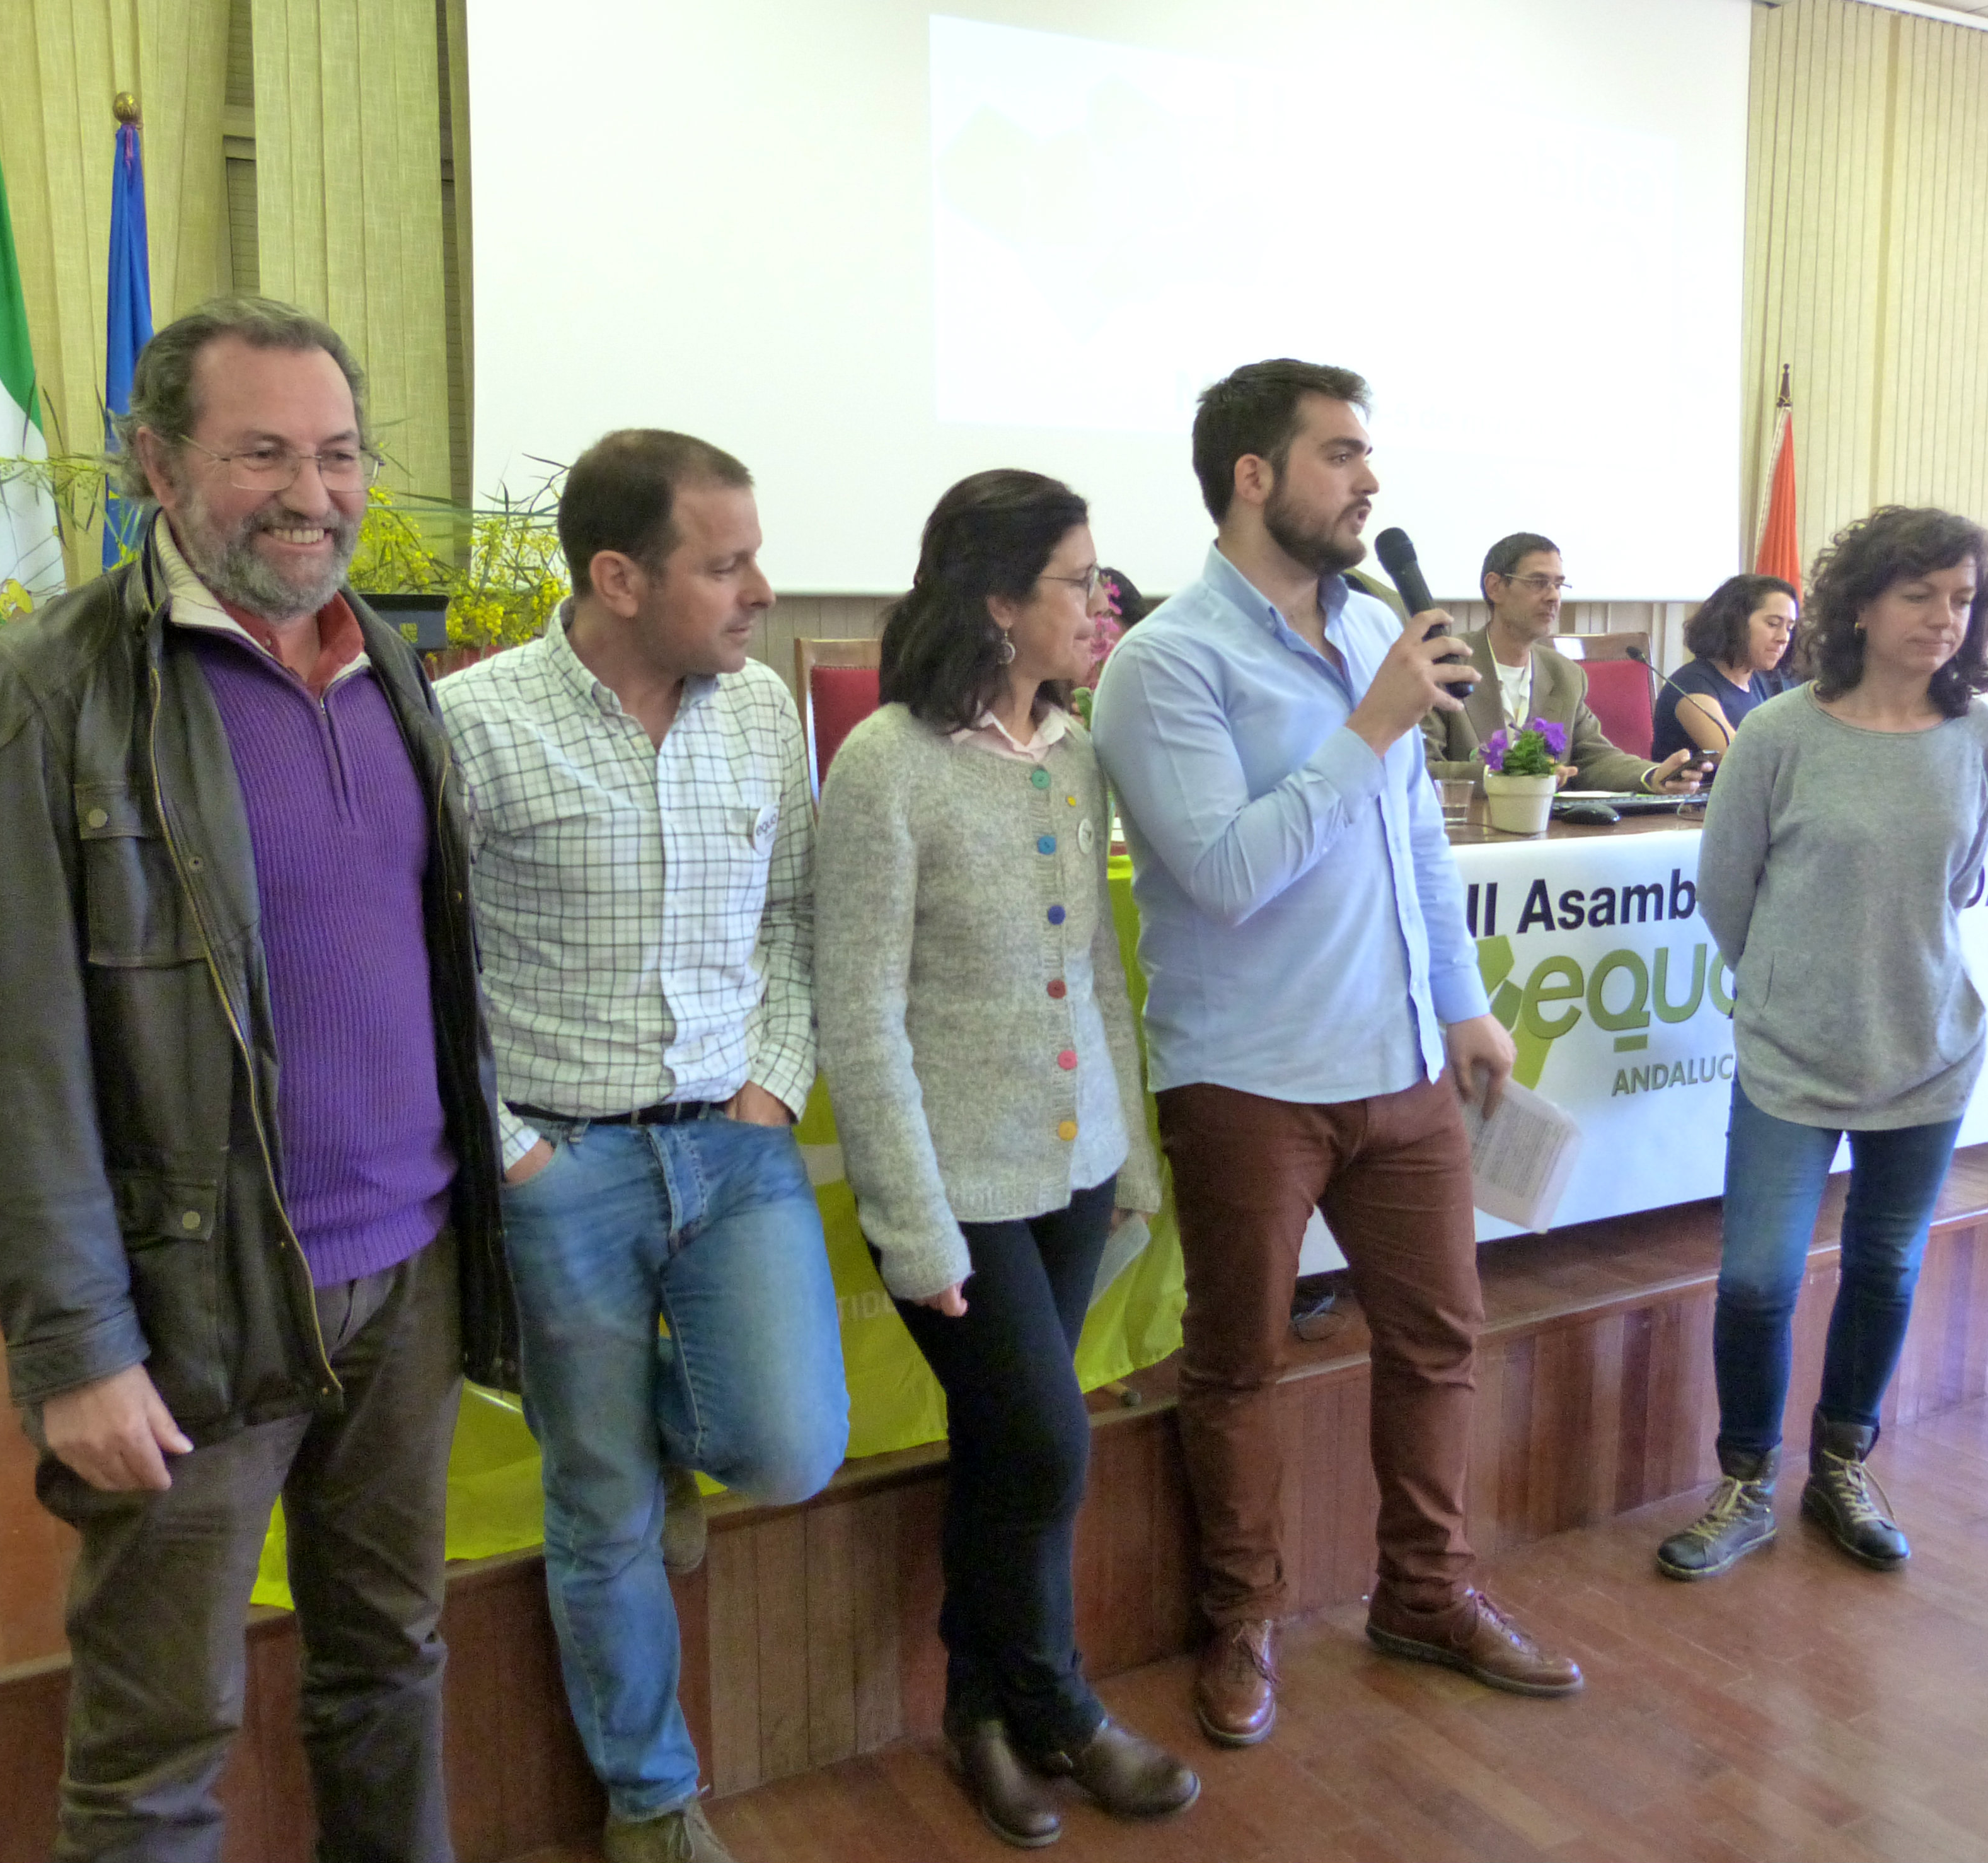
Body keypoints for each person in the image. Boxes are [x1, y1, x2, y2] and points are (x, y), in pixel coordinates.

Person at [0, 296, 517, 1861]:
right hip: (195, 1302)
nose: (310, 493)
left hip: (410, 1277)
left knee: (389, 1663)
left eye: (335, 454)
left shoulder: (389, 663)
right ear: (155, 466)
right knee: (158, 1749)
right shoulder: (45, 696)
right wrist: (72, 1350)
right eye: (260, 454)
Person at [1091, 358, 1585, 1751]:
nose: (1368, 481)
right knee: (1237, 1359)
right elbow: (1223, 872)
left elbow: (1412, 831)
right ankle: (1239, 1619)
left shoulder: (1371, 617)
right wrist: (1368, 724)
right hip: (1247, 1077)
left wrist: (1464, 999)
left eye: (1367, 456)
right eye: (1338, 455)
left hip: (1399, 1064)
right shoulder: (1166, 661)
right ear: (1253, 476)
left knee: (1438, 1341)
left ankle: (1424, 1592)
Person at [438, 429, 847, 1863]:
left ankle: (655, 1436)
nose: (760, 591)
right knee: (599, 1500)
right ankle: (650, 1803)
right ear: (618, 576)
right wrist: (513, 1156)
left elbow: (794, 916)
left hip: (733, 1149)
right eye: (723, 563)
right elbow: (422, 970)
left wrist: (777, 1086)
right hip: (563, 1169)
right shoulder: (475, 725)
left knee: (787, 1445)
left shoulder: (755, 715)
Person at [818, 470, 1196, 1847]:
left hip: (1076, 1166)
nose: (1101, 603)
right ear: (994, 598)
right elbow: (855, 1008)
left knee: (1005, 1445)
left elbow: (1097, 971)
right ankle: (1060, 1703)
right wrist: (911, 1230)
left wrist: (1133, 1151)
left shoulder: (1072, 750)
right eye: (1074, 580)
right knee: (1042, 1439)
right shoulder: (885, 766)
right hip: (953, 1191)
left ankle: (977, 1712)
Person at [1657, 507, 1988, 1583]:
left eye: (1963, 598)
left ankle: (1842, 1468)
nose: (1944, 619)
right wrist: (1789, 984)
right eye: (1921, 595)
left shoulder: (1978, 735)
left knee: (1884, 1269)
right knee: (1759, 1279)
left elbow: (1960, 885)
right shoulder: (1779, 734)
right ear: (1860, 605)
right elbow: (1728, 893)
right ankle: (1746, 1485)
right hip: (1791, 1053)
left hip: (1930, 1051)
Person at [1419, 532, 1704, 793]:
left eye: (1558, 584)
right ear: (1495, 587)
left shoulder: (1566, 674)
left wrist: (1654, 775)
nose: (1554, 596)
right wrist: (1509, 776)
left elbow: (1595, 758)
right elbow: (1420, 769)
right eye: (1538, 583)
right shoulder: (1444, 665)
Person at [1650, 573, 1798, 766]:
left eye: (1790, 627)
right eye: (1773, 624)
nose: (1784, 638)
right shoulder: (1691, 686)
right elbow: (1743, 764)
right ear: (1735, 623)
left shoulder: (1767, 681)